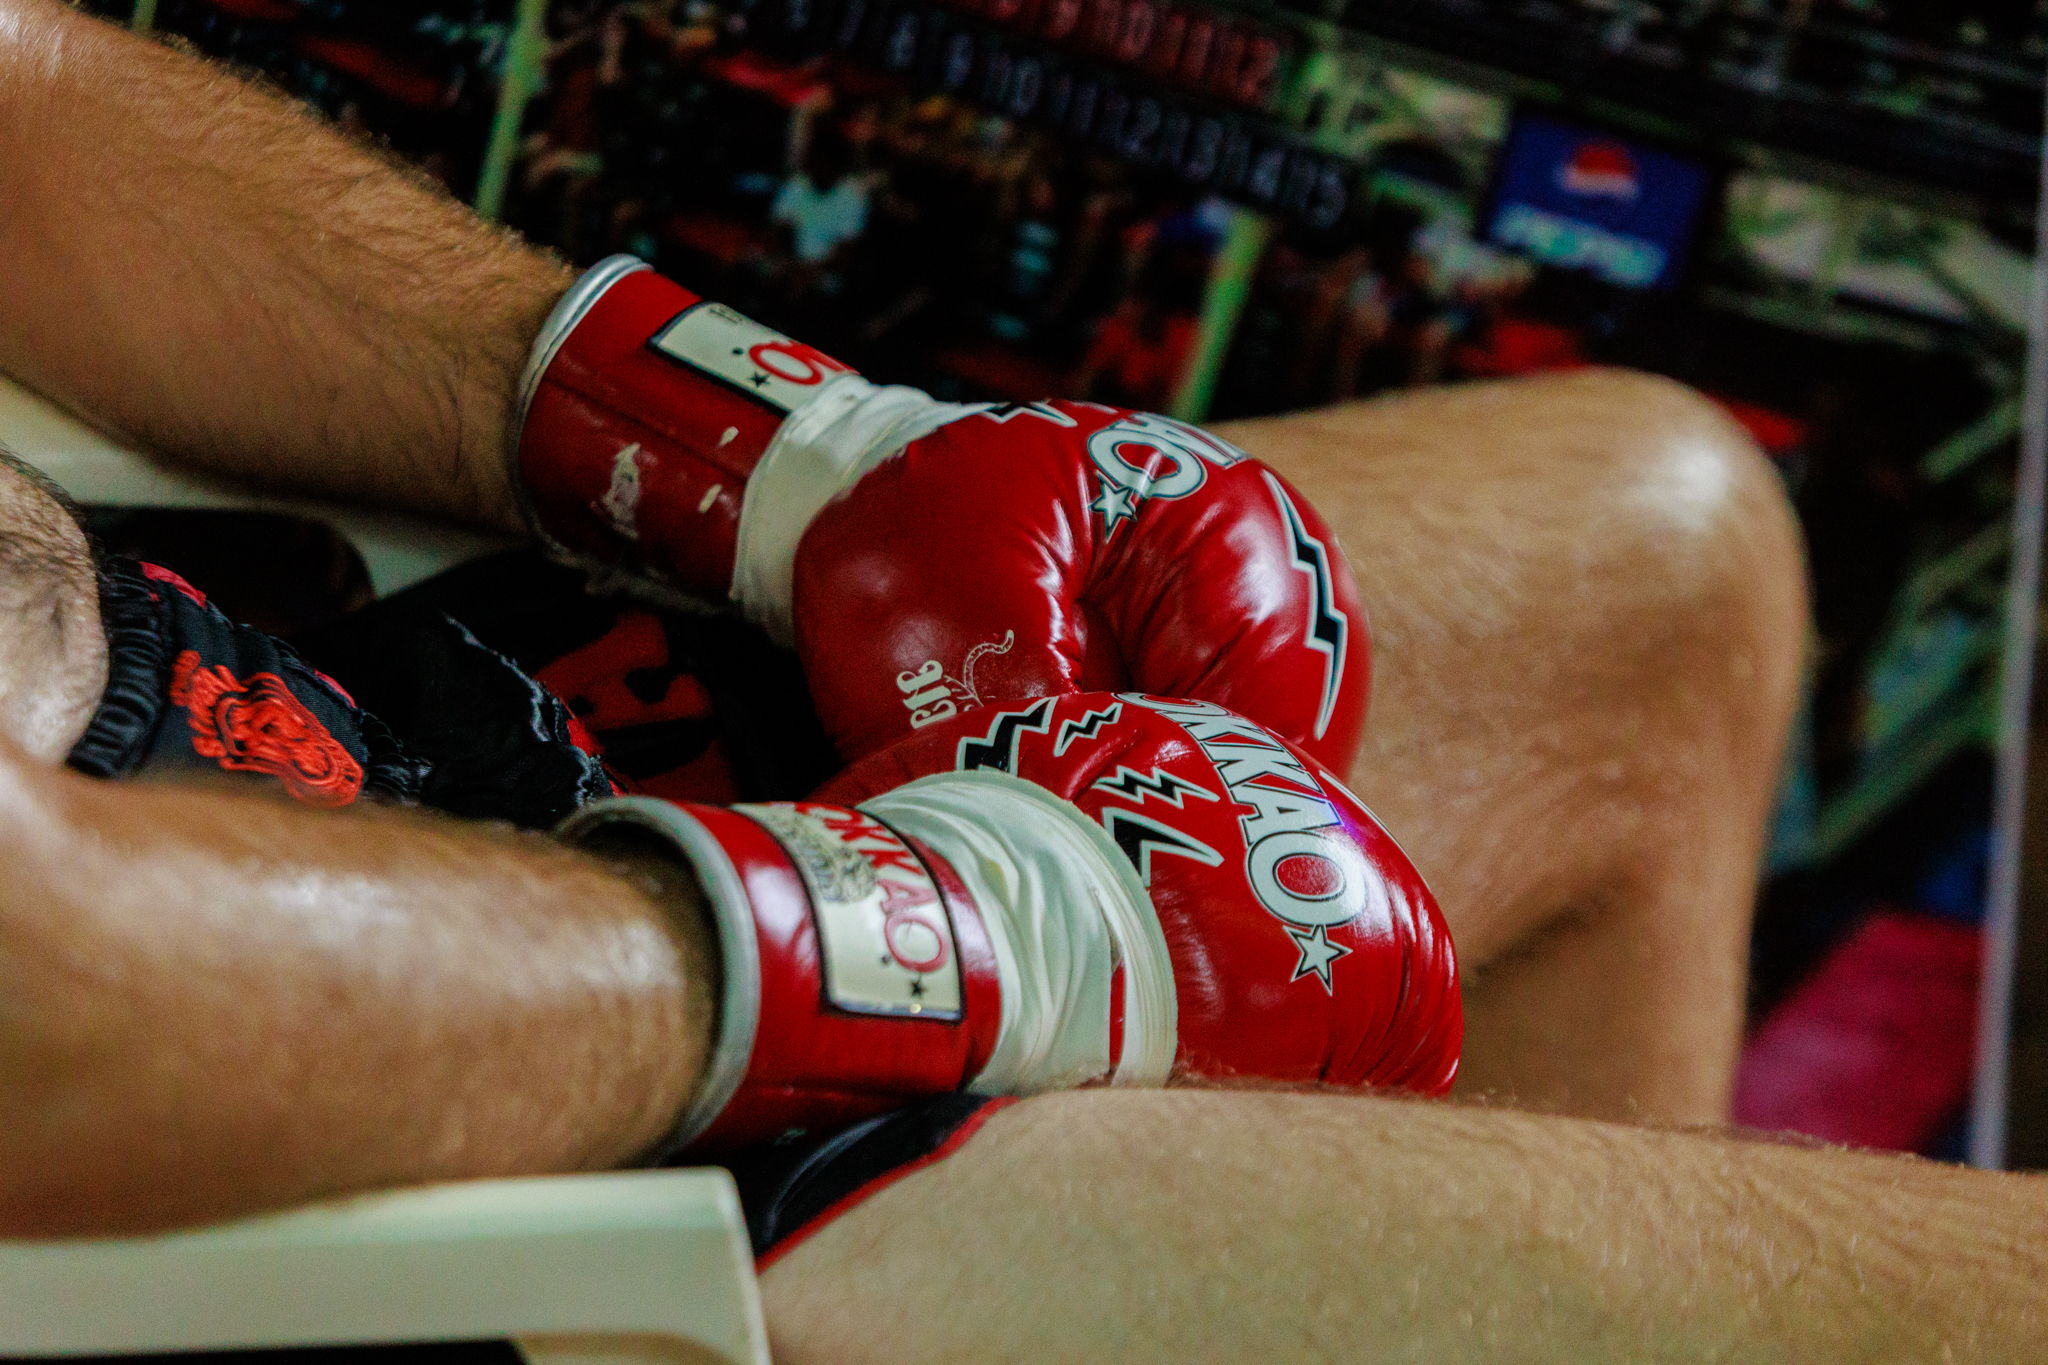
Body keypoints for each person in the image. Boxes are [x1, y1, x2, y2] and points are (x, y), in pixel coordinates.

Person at [9, 1, 2043, 1359]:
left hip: (328, 692)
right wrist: (954, 931)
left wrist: (791, 454)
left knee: (1656, 542)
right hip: (292, 1153)